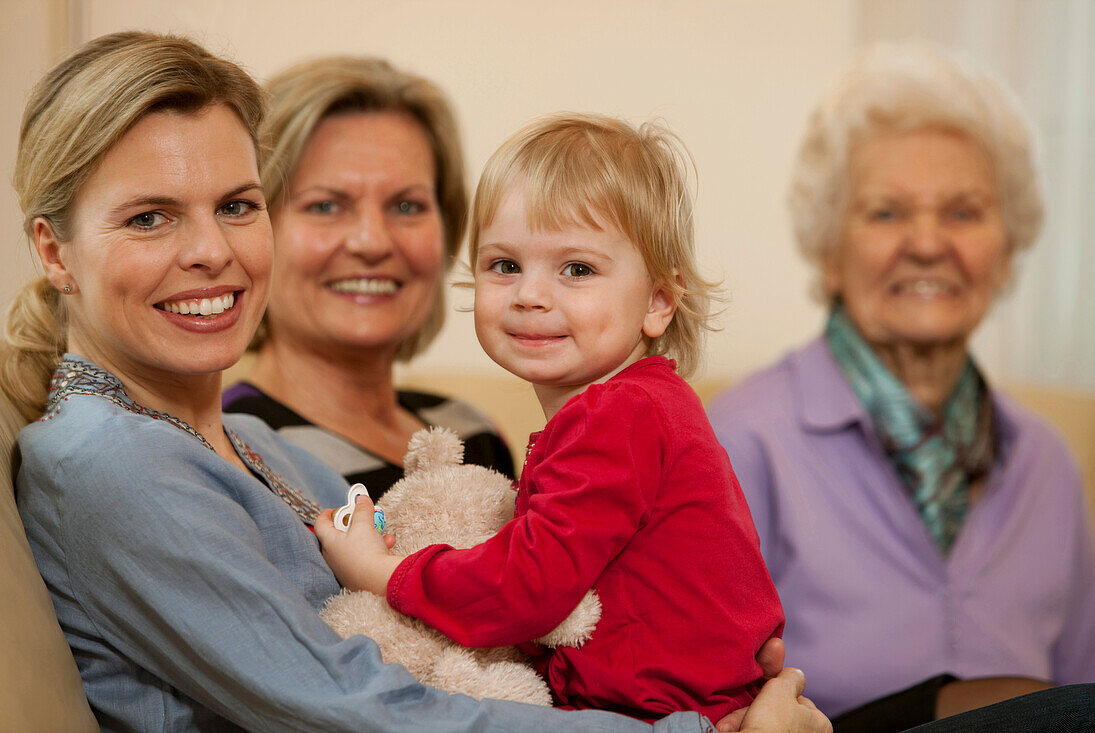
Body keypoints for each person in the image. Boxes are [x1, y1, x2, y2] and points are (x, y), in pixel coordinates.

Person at [3, 30, 824, 733]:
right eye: (150, 216)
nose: (212, 251)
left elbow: (469, 636)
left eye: (238, 206)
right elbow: (348, 706)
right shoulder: (106, 464)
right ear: (53, 251)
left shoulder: (253, 445)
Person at [317, 114, 785, 726]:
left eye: (578, 269)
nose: (530, 295)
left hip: (667, 719)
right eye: (505, 265)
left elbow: (526, 589)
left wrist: (383, 572)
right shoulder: (639, 406)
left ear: (657, 302)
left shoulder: (617, 415)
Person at [706, 43, 1095, 728]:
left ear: (1006, 252)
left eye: (964, 212)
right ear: (829, 250)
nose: (926, 242)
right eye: (886, 213)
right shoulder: (740, 438)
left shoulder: (1048, 460)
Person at [222, 56, 513, 500]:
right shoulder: (231, 450)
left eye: (406, 206)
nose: (372, 242)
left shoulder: (473, 433)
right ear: (254, 230)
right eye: (325, 206)